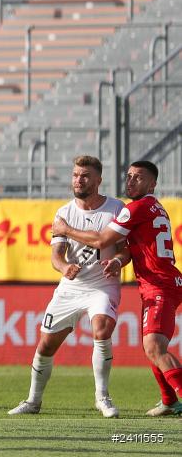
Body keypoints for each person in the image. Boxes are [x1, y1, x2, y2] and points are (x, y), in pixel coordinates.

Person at [53, 160, 182, 417]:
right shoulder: (156, 207)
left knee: (154, 345)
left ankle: (174, 397)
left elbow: (102, 239)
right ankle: (169, 401)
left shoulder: (135, 208)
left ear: (152, 184)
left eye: (139, 177)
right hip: (162, 282)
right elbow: (132, 249)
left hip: (160, 284)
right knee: (153, 346)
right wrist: (118, 260)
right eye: (129, 176)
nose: (131, 181)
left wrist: (66, 229)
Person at [9, 156, 126, 418]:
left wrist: (118, 262)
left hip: (102, 285)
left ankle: (102, 398)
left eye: (84, 176)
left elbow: (124, 251)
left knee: (102, 329)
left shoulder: (116, 209)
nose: (78, 180)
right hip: (71, 288)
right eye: (75, 175)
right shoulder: (63, 212)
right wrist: (64, 268)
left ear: (98, 180)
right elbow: (56, 255)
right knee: (46, 345)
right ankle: (33, 401)